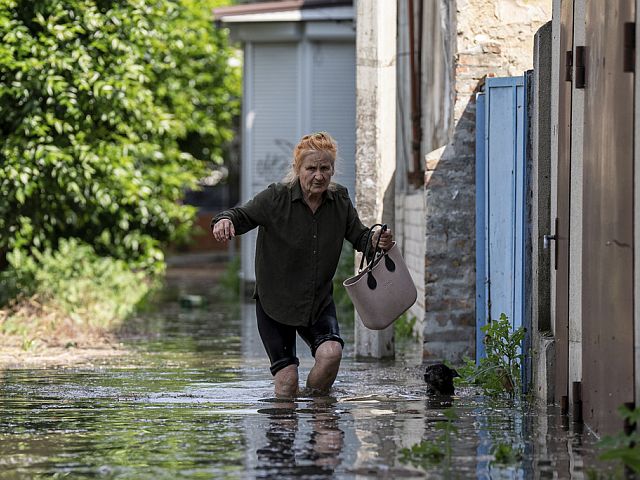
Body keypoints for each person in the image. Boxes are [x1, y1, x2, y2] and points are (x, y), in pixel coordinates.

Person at [211, 132, 393, 397]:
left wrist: (376, 240)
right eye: (311, 168)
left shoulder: (339, 200)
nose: (318, 175)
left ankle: (319, 415)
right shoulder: (276, 197)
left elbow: (360, 237)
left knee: (331, 354)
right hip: (275, 303)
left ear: (332, 169)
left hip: (317, 301)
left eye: (324, 168)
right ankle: (284, 432)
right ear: (298, 169)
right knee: (286, 383)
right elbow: (240, 215)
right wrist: (224, 220)